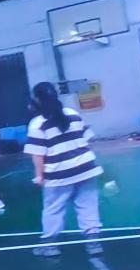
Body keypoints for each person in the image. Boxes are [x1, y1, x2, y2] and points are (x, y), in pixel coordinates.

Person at [24, 81, 104, 257]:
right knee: (88, 206)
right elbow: (86, 139)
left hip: (58, 174)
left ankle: (50, 246)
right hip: (86, 168)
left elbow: (38, 154)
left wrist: (39, 176)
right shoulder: (72, 114)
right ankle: (93, 243)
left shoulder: (37, 124)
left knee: (53, 209)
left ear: (37, 99)